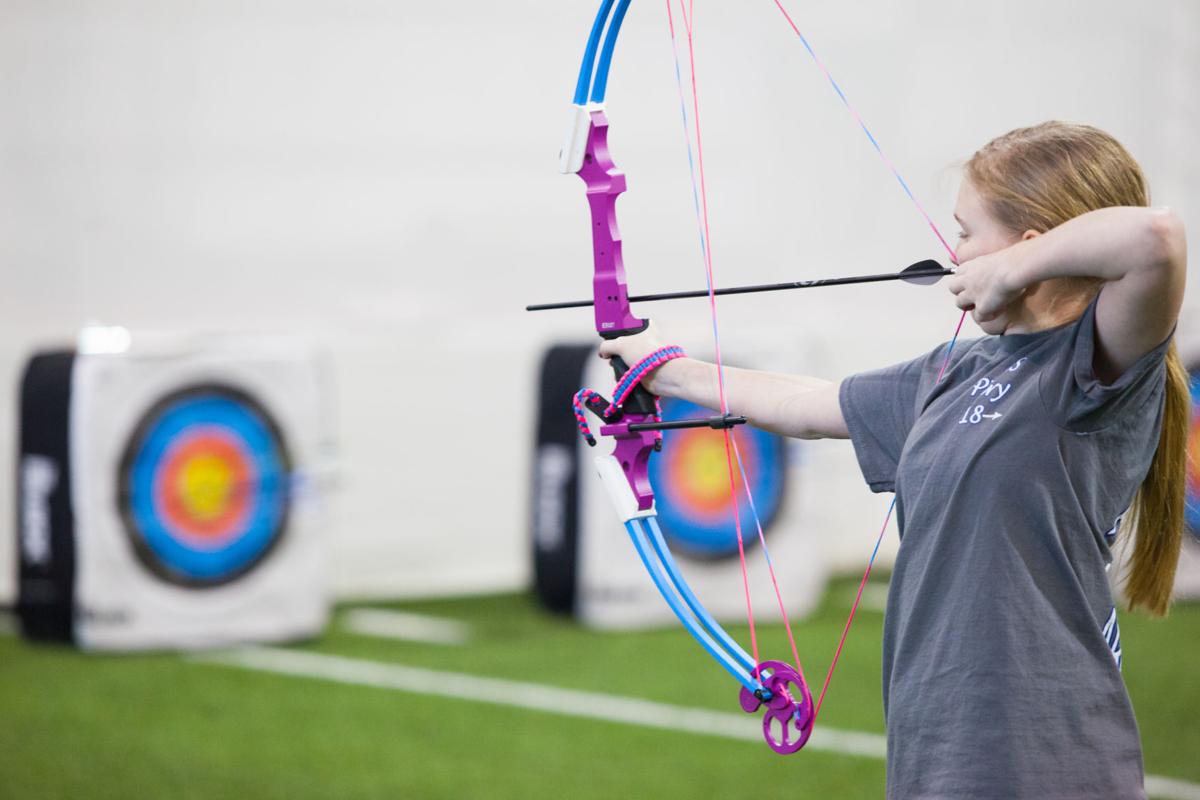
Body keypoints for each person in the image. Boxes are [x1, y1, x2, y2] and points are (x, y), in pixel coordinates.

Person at [599, 121, 1189, 799]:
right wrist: (665, 372)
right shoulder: (953, 369)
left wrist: (1016, 269)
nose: (955, 249)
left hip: (1045, 750)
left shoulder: (1092, 373)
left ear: (1031, 248)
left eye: (968, 231)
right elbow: (813, 405)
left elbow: (1157, 239)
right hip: (939, 742)